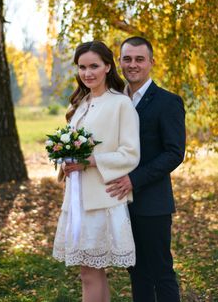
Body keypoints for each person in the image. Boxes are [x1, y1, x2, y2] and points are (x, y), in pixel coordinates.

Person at [52, 40, 140, 302]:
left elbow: (130, 153)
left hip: (102, 199)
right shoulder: (81, 104)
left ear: (107, 67)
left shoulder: (120, 104)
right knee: (91, 273)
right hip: (77, 199)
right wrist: (64, 163)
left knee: (90, 273)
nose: (87, 72)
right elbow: (71, 150)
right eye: (82, 67)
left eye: (94, 66)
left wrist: (89, 161)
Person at [106, 36, 186, 302]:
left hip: (153, 203)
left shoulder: (168, 102)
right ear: (119, 62)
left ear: (151, 62)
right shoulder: (115, 101)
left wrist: (134, 179)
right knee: (136, 271)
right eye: (127, 59)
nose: (133, 65)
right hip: (120, 202)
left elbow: (174, 153)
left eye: (139, 59)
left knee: (161, 270)